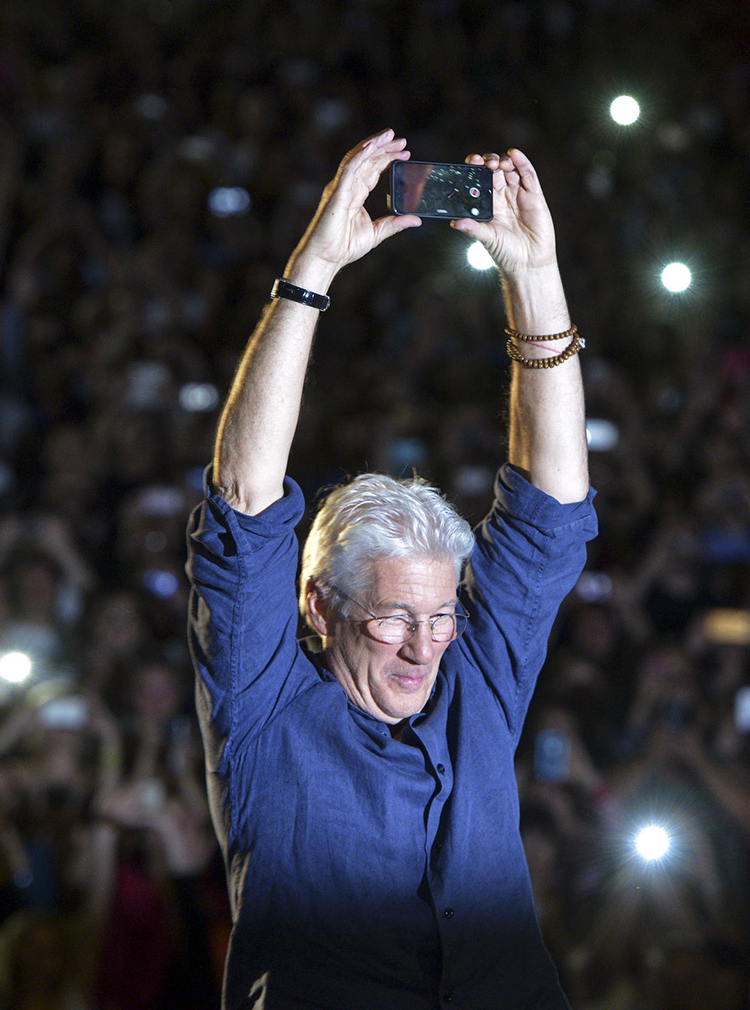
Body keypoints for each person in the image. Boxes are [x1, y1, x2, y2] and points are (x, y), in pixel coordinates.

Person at [186, 132, 596, 1009]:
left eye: (441, 617)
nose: (424, 648)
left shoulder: (473, 681)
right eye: (393, 619)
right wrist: (312, 275)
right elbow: (246, 503)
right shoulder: (267, 709)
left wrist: (532, 275)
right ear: (320, 607)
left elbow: (551, 513)